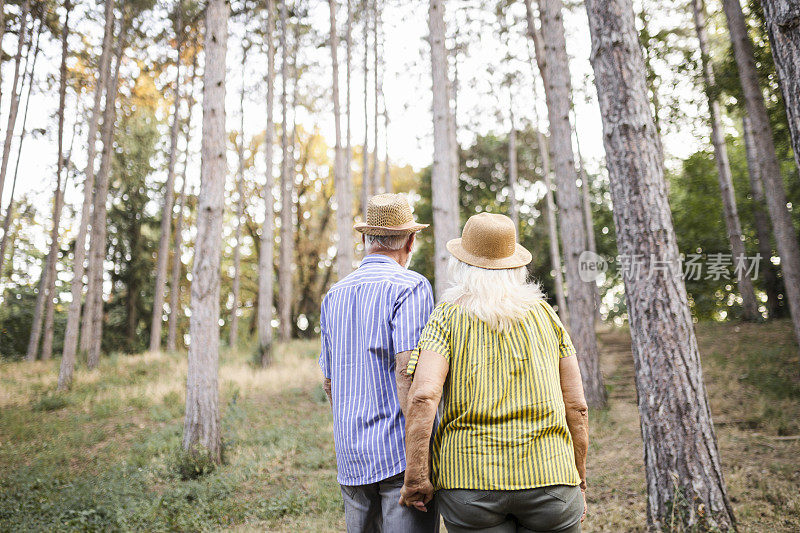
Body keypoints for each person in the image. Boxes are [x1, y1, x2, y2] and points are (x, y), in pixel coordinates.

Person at [399, 212, 589, 533]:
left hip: (470, 482)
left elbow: (423, 395)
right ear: (516, 266)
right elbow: (578, 406)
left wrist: (417, 476)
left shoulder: (446, 316)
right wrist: (578, 478)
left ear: (461, 264)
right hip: (551, 477)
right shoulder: (545, 315)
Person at [319, 193, 440, 532]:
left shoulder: (334, 295)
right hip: (398, 456)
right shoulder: (411, 286)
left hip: (351, 455)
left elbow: (329, 382)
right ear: (411, 240)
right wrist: (421, 458)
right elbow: (409, 373)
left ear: (365, 239)